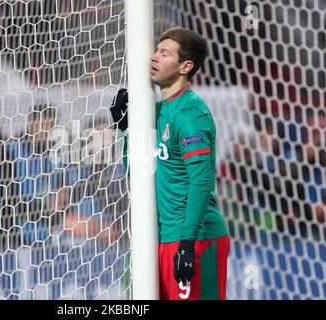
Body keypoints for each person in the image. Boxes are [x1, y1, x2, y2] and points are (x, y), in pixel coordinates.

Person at [110, 27, 230, 300]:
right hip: (164, 238)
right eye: (156, 50)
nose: (153, 57)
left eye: (164, 53)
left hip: (196, 238)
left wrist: (187, 243)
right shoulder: (159, 110)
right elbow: (138, 173)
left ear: (185, 66)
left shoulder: (190, 114)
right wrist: (125, 130)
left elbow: (201, 183)